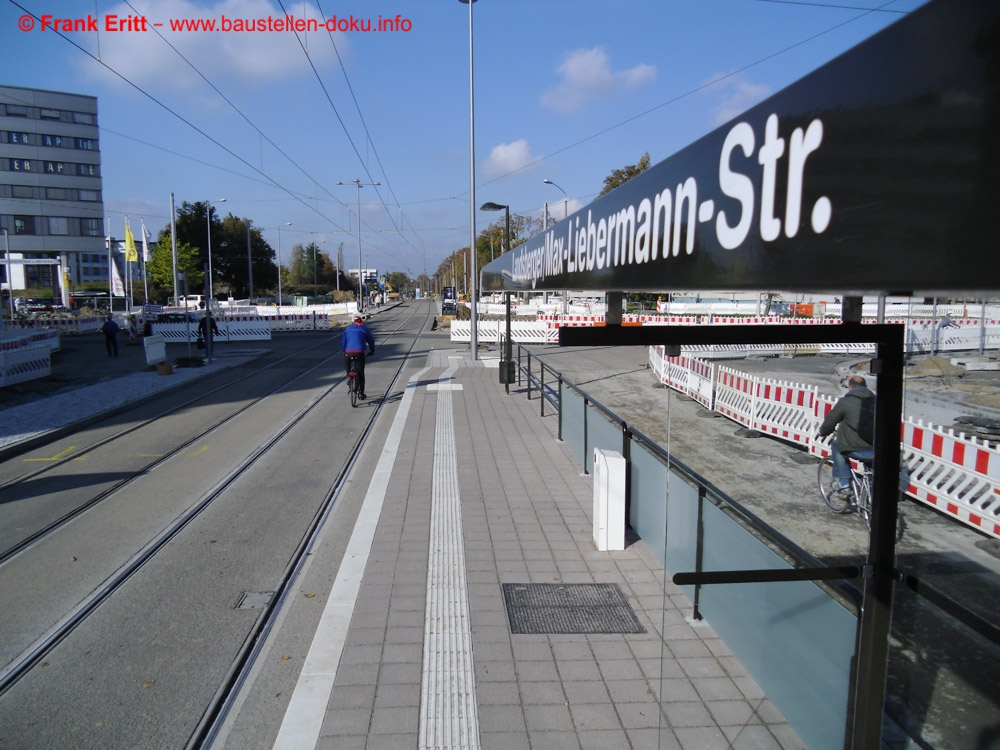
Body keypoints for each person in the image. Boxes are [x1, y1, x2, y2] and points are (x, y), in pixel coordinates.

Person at [818, 375, 875, 492]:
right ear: (865, 387)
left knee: (837, 446)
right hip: (876, 450)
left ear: (850, 388)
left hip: (855, 449)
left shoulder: (845, 402)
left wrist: (823, 432)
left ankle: (844, 483)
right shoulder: (877, 402)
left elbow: (830, 421)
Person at [341, 314, 375, 399]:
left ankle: (349, 375)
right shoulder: (364, 329)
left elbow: (343, 342)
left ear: (353, 322)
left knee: (347, 362)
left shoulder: (347, 329)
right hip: (359, 353)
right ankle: (361, 394)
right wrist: (372, 351)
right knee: (360, 373)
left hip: (348, 352)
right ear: (361, 322)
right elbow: (371, 341)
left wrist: (344, 350)